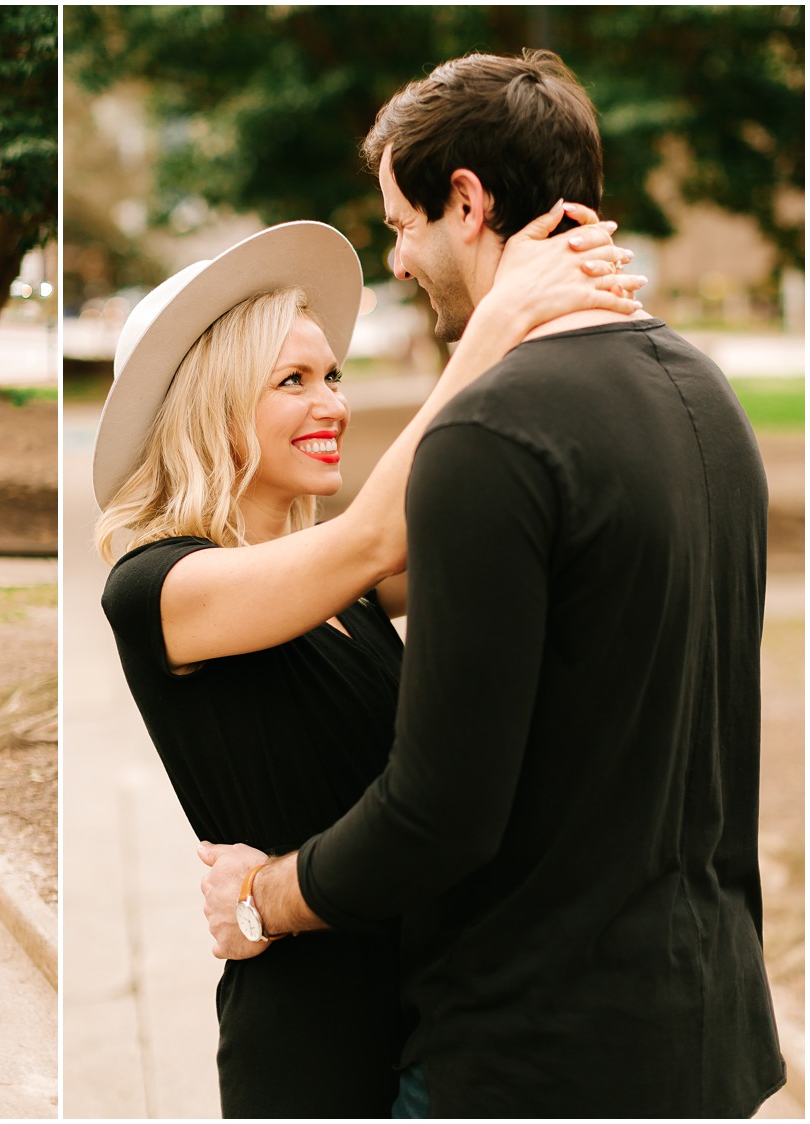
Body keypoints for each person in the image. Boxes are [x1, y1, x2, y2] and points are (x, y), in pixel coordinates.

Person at [197, 49, 785, 1117]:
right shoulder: (709, 397)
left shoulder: (491, 433)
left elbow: (439, 810)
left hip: (533, 1055)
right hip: (710, 1039)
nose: (401, 260)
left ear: (466, 202)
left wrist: (266, 896)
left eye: (400, 224)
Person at [95, 207, 642, 1114]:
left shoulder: (343, 589)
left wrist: (563, 325)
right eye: (294, 381)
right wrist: (497, 318)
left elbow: (497, 522)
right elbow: (382, 527)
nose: (334, 405)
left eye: (335, 376)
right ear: (215, 401)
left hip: (438, 1013)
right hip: (316, 1037)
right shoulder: (158, 587)